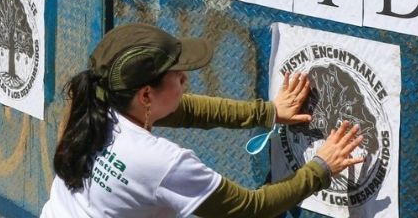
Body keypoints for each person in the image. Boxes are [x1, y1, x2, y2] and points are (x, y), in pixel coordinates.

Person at [41, 23, 366, 218]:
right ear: (145, 95)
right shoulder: (160, 161)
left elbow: (190, 110)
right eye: (176, 74)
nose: (185, 78)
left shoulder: (97, 103)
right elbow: (249, 209)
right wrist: (321, 168)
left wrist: (268, 112)